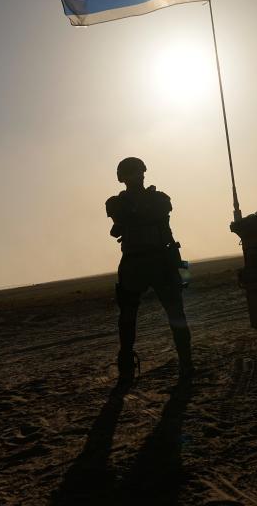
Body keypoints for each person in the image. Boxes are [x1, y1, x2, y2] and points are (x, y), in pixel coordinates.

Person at [105, 158, 192, 385]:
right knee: (127, 318)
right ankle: (126, 364)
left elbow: (165, 229)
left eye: (139, 172)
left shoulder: (158, 199)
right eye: (132, 173)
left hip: (160, 260)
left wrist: (181, 268)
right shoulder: (118, 203)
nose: (137, 176)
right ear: (123, 178)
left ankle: (186, 363)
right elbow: (122, 217)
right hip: (137, 263)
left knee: (176, 314)